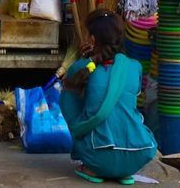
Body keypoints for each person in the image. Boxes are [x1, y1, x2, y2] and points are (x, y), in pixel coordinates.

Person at [60, 10, 157, 185]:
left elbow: (69, 107)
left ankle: (92, 166)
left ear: (92, 40)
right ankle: (122, 170)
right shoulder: (134, 67)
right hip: (138, 154)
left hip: (97, 155)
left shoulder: (81, 68)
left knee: (71, 99)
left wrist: (83, 60)